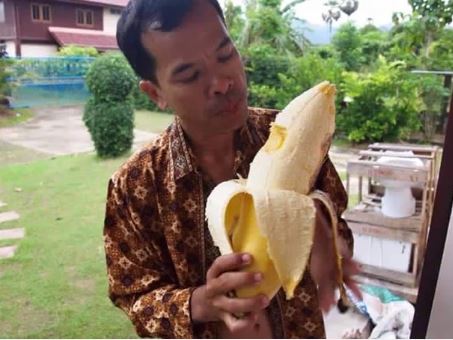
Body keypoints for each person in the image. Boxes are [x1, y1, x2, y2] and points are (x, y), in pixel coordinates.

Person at [104, 0, 360, 337]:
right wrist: (201, 303)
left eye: (225, 54)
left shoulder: (294, 136)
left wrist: (324, 235)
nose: (223, 83)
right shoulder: (134, 185)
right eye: (190, 74)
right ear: (155, 93)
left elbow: (338, 230)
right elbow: (133, 294)